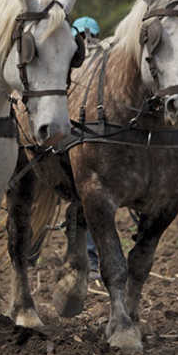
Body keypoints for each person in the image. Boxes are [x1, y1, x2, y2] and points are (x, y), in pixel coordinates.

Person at [71, 16, 102, 280]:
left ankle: (91, 258)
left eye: (90, 36)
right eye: (83, 36)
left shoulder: (103, 62)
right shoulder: (64, 61)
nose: (87, 41)